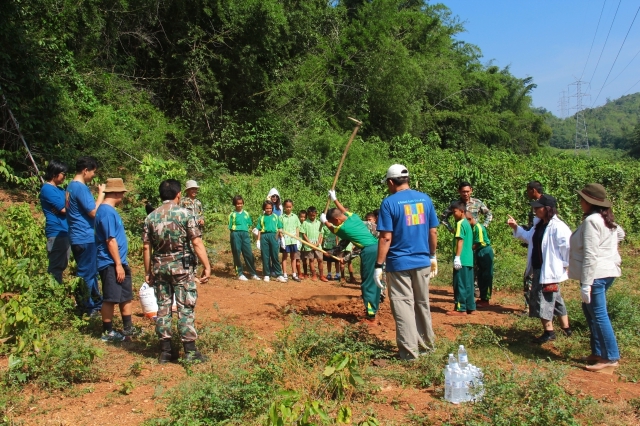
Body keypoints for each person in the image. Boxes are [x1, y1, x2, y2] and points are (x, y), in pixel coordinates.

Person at [143, 179, 211, 363]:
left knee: (163, 308)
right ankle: (190, 352)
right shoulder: (185, 215)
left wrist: (148, 272)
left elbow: (146, 247)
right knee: (185, 307)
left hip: (160, 270)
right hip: (182, 269)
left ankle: (165, 351)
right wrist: (206, 266)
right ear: (178, 194)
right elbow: (196, 242)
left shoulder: (151, 217)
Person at [376, 164, 439, 360]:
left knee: (403, 305)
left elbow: (386, 237)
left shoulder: (389, 203)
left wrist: (378, 265)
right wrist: (432, 255)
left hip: (399, 263)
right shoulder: (425, 199)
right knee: (422, 303)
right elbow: (433, 231)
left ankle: (410, 353)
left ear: (390, 182)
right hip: (422, 261)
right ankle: (427, 347)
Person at [569, 184, 624, 373]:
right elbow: (620, 234)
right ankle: (598, 352)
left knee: (599, 314)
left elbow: (591, 254)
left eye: (582, 199)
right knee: (590, 309)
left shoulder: (592, 221)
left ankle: (610, 357)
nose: (580, 202)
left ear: (589, 202)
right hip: (607, 272)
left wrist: (586, 284)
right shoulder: (605, 218)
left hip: (596, 275)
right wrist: (608, 250)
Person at [508, 194, 572, 343]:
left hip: (549, 270)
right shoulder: (539, 225)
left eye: (538, 208)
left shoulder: (558, 227)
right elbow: (528, 238)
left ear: (547, 209)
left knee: (544, 299)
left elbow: (568, 248)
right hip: (539, 268)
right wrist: (516, 227)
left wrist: (564, 265)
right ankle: (566, 328)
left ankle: (549, 332)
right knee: (555, 298)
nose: (535, 210)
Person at [321, 190, 381, 322]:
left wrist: (324, 221)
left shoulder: (343, 229)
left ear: (337, 220)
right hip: (378, 248)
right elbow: (343, 211)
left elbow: (332, 229)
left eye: (334, 222)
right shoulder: (354, 217)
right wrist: (335, 199)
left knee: (367, 282)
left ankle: (371, 313)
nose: (335, 224)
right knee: (375, 279)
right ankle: (374, 308)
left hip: (369, 251)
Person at [95, 178, 134, 342]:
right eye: (122, 193)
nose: (123, 196)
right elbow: (110, 240)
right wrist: (117, 264)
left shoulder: (110, 211)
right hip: (110, 262)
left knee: (125, 295)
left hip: (119, 261)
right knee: (110, 297)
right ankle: (108, 332)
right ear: (116, 193)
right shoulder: (106, 212)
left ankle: (128, 328)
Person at [66, 156, 105, 316]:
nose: (93, 175)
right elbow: (93, 212)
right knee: (86, 274)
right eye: (93, 172)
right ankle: (86, 307)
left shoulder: (70, 186)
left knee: (90, 271)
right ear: (85, 170)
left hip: (77, 235)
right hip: (85, 236)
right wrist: (101, 194)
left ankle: (96, 302)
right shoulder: (80, 188)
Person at [39, 160, 70, 284]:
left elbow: (69, 205)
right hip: (56, 231)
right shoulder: (47, 189)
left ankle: (56, 289)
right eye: (63, 174)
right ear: (54, 173)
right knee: (56, 266)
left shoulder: (61, 190)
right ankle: (52, 290)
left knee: (62, 264)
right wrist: (66, 206)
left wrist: (67, 205)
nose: (65, 177)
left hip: (64, 231)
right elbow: (64, 209)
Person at [447, 201, 475, 316]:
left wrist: (457, 257)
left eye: (454, 212)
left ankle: (460, 308)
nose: (453, 215)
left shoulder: (460, 224)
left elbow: (460, 240)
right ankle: (470, 307)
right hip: (469, 259)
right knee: (468, 284)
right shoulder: (468, 224)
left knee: (459, 284)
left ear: (462, 211)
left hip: (462, 259)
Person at [522, 181, 544, 313]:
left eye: (528, 190)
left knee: (530, 277)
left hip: (539, 247)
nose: (527, 193)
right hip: (533, 242)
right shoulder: (536, 204)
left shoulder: (543, 204)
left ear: (533, 190)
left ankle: (531, 308)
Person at [228, 195, 261, 281]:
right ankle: (239, 273)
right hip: (235, 234)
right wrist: (235, 235)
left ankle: (253, 273)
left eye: (241, 203)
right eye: (237, 204)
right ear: (235, 204)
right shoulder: (232, 214)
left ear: (243, 203)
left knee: (248, 253)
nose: (239, 205)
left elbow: (250, 224)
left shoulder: (246, 213)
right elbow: (230, 227)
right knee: (237, 253)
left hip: (245, 234)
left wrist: (254, 232)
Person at [467, 211, 494, 307]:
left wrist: (468, 250)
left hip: (484, 251)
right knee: (480, 275)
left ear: (470, 219)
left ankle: (485, 299)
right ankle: (482, 297)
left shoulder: (478, 228)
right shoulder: (473, 227)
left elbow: (478, 243)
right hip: (479, 251)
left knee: (486, 275)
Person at [256, 201, 287, 282]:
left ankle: (279, 274)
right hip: (264, 236)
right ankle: (266, 274)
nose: (268, 210)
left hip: (274, 236)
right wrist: (258, 240)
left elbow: (279, 228)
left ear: (272, 208)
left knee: (274, 256)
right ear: (264, 208)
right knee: (265, 256)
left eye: (270, 208)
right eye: (267, 208)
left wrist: (282, 238)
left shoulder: (276, 217)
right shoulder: (261, 218)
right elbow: (259, 230)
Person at [299, 206, 325, 281]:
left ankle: (321, 275)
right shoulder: (305, 223)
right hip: (308, 246)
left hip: (317, 246)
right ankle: (314, 275)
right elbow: (303, 234)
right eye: (310, 215)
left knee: (320, 260)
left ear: (316, 214)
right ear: (308, 214)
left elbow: (321, 233)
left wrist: (318, 243)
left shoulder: (319, 223)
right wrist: (310, 243)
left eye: (314, 215)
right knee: (311, 260)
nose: (312, 217)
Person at [280, 199, 302, 282]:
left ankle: (294, 274)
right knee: (284, 257)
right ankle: (285, 274)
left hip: (293, 240)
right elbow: (279, 228)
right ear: (284, 207)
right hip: (285, 240)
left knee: (293, 257)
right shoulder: (281, 217)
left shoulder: (295, 216)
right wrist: (282, 238)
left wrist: (297, 237)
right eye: (287, 207)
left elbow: (297, 227)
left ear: (292, 207)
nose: (288, 208)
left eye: (290, 207)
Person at [298, 210, 308, 278]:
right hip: (298, 244)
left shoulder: (306, 224)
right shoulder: (297, 224)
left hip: (305, 245)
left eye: (304, 217)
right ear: (299, 217)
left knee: (304, 259)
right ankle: (299, 273)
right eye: (301, 217)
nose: (302, 219)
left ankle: (305, 273)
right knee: (297, 259)